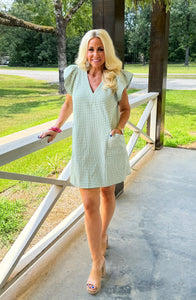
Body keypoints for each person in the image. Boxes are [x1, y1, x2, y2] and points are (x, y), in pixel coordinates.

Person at [39, 29, 133, 295]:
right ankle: (96, 262)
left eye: (101, 49)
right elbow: (68, 105)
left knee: (107, 193)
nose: (96, 55)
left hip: (108, 144)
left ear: (107, 52)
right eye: (91, 49)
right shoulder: (74, 75)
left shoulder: (116, 77)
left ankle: (102, 234)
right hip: (84, 147)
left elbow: (125, 109)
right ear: (85, 51)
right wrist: (56, 127)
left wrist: (119, 128)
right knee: (89, 206)